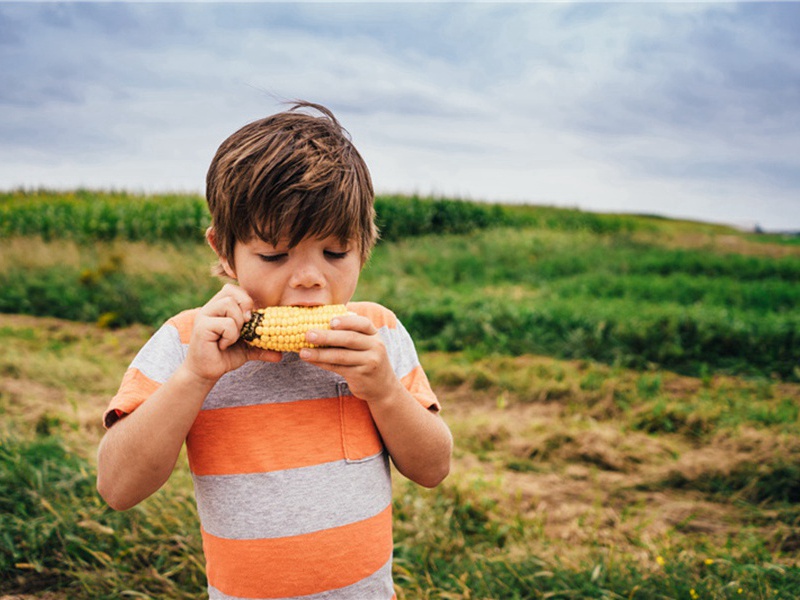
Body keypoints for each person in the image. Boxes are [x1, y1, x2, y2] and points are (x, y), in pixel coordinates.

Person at [96, 101, 453, 599]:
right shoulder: (187, 341)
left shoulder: (379, 334)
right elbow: (118, 488)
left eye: (335, 253)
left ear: (365, 245)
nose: (309, 278)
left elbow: (434, 468)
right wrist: (194, 378)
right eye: (274, 255)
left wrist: (386, 393)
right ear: (224, 251)